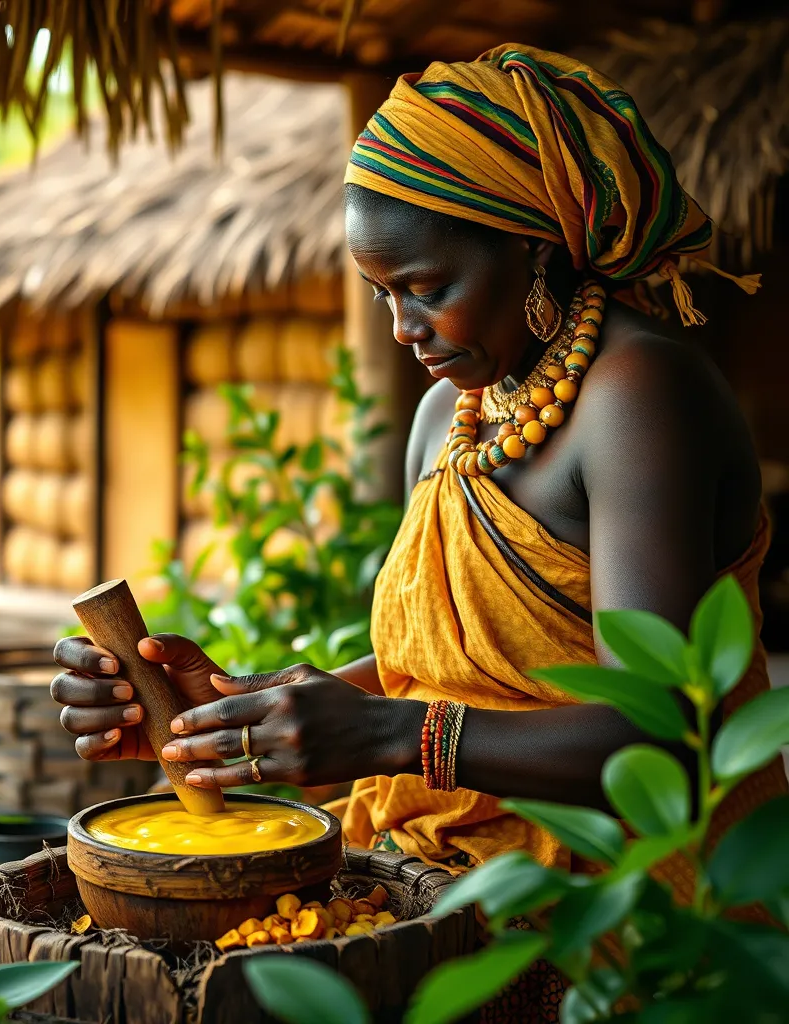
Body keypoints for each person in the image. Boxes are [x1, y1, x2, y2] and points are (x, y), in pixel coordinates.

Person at [51, 43, 786, 985]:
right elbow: (436, 674)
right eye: (381, 294)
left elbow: (662, 744)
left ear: (532, 244)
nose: (402, 328)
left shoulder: (638, 396)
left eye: (426, 288)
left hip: (634, 918)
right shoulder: (450, 416)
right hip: (445, 880)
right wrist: (241, 709)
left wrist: (393, 736)